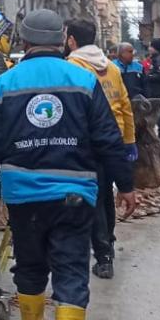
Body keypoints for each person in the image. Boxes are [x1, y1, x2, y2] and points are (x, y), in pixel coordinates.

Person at [0, 10, 137, 320]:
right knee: (70, 271)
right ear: (63, 38)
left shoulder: (4, 84)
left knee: (30, 265)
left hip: (22, 195)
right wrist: (126, 185)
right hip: (74, 194)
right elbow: (107, 139)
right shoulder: (83, 80)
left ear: (23, 40)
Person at [65, 19, 135, 281]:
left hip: (87, 142)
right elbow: (125, 105)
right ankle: (109, 244)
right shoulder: (112, 68)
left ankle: (103, 256)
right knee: (106, 194)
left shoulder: (73, 67)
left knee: (91, 198)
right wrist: (129, 140)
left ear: (72, 40)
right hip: (113, 139)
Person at [143, 40, 160, 146]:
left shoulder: (159, 60)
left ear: (155, 48)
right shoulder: (154, 59)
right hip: (154, 92)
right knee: (155, 115)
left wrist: (148, 77)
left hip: (159, 93)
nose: (149, 49)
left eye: (150, 47)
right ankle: (158, 137)